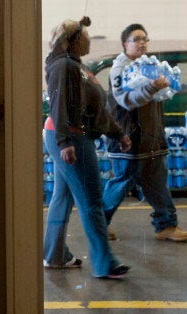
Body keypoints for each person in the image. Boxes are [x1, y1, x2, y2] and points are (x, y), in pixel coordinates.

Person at [42, 17, 132, 278]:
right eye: (86, 36)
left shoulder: (77, 67)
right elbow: (57, 105)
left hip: (69, 136)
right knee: (91, 200)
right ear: (72, 40)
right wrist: (64, 142)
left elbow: (97, 111)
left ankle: (54, 254)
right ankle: (105, 263)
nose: (90, 39)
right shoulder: (63, 66)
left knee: (63, 197)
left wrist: (116, 133)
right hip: (70, 137)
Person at [103, 23, 187, 242]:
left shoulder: (150, 67)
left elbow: (156, 97)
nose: (142, 43)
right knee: (122, 183)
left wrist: (166, 87)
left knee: (157, 183)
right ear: (125, 44)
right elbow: (125, 101)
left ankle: (166, 226)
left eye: (145, 38)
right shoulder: (120, 70)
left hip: (151, 138)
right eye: (136, 39)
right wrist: (152, 87)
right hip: (128, 139)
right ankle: (98, 225)